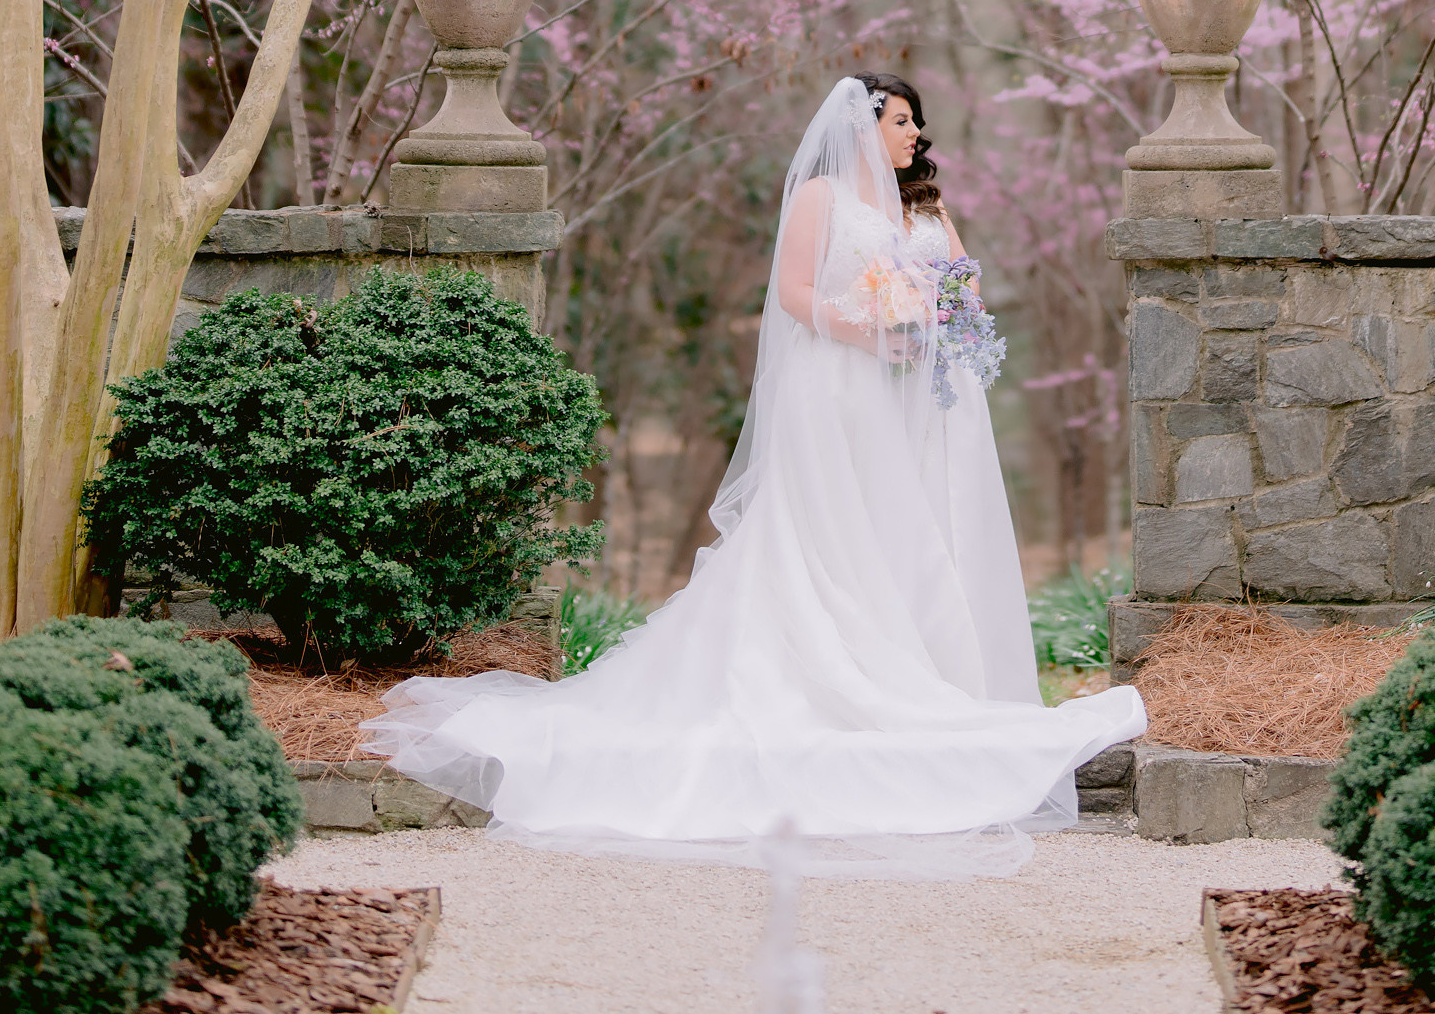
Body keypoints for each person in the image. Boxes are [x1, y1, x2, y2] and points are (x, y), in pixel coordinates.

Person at [364, 73, 1146, 872]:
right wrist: (868, 325)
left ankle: (918, 664)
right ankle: (829, 667)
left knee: (903, 529)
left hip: (910, 396)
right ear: (863, 126)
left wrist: (937, 313)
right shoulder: (820, 199)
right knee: (827, 527)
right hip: (835, 386)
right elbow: (795, 293)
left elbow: (963, 282)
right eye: (903, 121)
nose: (916, 134)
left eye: (918, 122)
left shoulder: (926, 209)